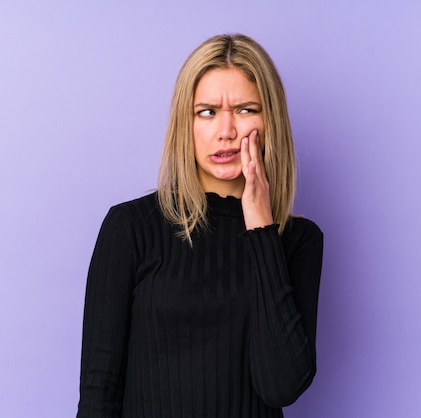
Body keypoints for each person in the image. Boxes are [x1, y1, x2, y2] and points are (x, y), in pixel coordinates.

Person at [77, 33, 323, 418]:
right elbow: (98, 394)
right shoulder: (131, 228)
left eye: (245, 110)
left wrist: (261, 230)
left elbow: (281, 386)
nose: (226, 130)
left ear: (269, 120)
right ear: (185, 124)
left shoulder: (297, 241)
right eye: (207, 111)